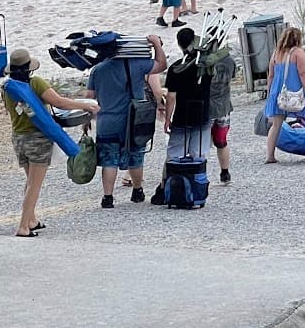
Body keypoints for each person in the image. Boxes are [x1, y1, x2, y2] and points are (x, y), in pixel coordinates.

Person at [4, 48, 98, 237]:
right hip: (37, 139)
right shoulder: (35, 83)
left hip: (19, 138)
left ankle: (31, 219)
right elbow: (60, 103)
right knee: (35, 185)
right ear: (29, 68)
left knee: (30, 181)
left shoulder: (8, 88)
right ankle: (23, 226)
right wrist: (86, 105)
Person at [86, 32, 166, 207]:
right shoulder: (136, 64)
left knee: (109, 159)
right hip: (133, 120)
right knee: (135, 155)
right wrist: (157, 45)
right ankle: (137, 191)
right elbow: (161, 65)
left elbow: (89, 97)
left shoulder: (97, 70)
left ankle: (108, 197)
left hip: (106, 121)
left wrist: (87, 121)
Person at [162, 27, 212, 169]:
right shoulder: (205, 65)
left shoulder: (176, 68)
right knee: (198, 154)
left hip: (182, 115)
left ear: (179, 45)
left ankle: (173, 184)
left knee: (175, 154)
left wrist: (167, 119)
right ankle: (196, 183)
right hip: (202, 113)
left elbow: (171, 97)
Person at [263, 26, 305, 163]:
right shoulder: (298, 53)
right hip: (294, 92)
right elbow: (303, 74)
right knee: (303, 120)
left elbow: (271, 76)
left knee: (276, 125)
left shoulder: (276, 53)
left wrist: (270, 93)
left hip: (278, 93)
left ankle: (270, 156)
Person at [202, 25, 238, 185]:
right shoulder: (229, 60)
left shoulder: (204, 61)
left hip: (207, 106)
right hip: (223, 106)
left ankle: (200, 173)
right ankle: (225, 173)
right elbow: (233, 77)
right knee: (221, 141)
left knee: (201, 143)